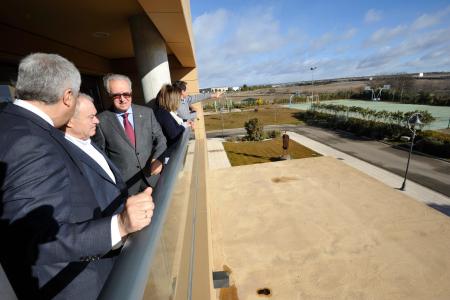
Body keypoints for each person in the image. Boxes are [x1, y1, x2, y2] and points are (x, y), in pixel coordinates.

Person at [0, 53, 154, 299]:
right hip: (72, 285)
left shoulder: (11, 124)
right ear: (67, 97)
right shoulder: (30, 140)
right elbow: (35, 239)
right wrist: (121, 224)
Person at [92, 74, 167, 195]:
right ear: (108, 95)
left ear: (131, 92)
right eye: (116, 95)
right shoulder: (101, 121)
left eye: (126, 94)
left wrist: (158, 159)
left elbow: (161, 139)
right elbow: (100, 155)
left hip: (152, 179)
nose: (122, 99)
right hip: (126, 186)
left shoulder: (147, 113)